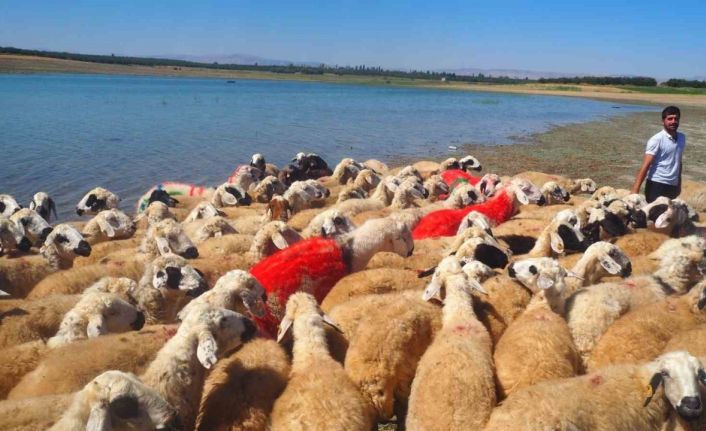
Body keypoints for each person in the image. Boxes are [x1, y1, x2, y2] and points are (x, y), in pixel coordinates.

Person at [631, 106, 686, 202]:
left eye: (676, 119)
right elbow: (646, 165)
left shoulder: (682, 138)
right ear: (663, 121)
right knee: (653, 215)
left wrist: (678, 184)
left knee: (669, 216)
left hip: (673, 185)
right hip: (656, 184)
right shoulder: (656, 139)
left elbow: (678, 162)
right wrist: (635, 191)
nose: (673, 121)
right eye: (670, 119)